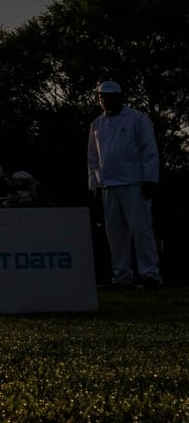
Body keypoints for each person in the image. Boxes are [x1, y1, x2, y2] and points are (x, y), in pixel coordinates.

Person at [87, 80, 161, 289]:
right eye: (102, 97)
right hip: (108, 184)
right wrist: (94, 184)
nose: (105, 100)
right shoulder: (97, 124)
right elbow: (92, 156)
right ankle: (121, 276)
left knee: (141, 229)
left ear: (120, 97)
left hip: (135, 182)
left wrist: (150, 179)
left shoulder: (138, 119)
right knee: (115, 234)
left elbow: (149, 150)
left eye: (109, 97)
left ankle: (150, 274)